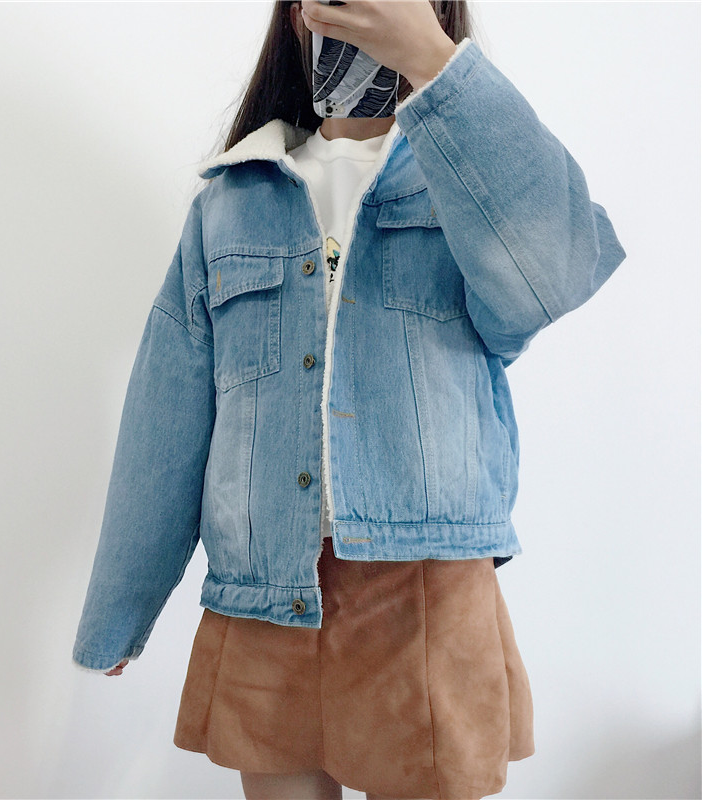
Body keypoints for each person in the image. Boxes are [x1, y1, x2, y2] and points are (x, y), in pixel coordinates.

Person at [72, 2, 627, 798]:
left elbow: (560, 270)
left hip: (426, 594)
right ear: (297, 15)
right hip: (265, 595)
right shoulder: (231, 203)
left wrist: (437, 64)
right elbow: (168, 414)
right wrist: (119, 612)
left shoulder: (469, 187)